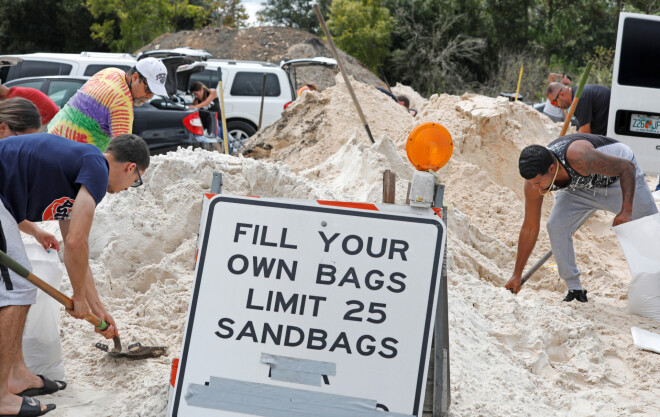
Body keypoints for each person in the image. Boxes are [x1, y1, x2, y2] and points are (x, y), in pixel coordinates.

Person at [0, 133, 149, 416]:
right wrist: (78, 298)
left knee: (19, 286)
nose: (131, 188)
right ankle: (1, 396)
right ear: (131, 168)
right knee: (17, 288)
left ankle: (17, 375)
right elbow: (76, 242)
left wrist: (97, 308)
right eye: (136, 181)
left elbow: (74, 249)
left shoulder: (80, 169)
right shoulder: (95, 166)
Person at [505, 133, 657, 302]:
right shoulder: (534, 183)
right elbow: (529, 228)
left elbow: (627, 167)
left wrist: (626, 210)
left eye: (538, 182)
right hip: (578, 189)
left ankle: (655, 283)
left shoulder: (579, 157)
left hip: (617, 180)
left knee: (649, 227)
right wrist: (516, 275)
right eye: (531, 182)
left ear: (552, 169)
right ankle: (575, 290)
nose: (535, 187)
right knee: (556, 226)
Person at [48, 57, 168, 152]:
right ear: (135, 77)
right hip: (69, 154)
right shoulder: (121, 103)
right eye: (148, 90)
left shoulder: (111, 72)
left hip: (53, 136)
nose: (149, 97)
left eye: (154, 93)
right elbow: (122, 152)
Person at [546, 82, 611, 135]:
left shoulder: (579, 99)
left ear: (562, 94)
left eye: (554, 102)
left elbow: (585, 132)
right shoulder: (577, 94)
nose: (555, 106)